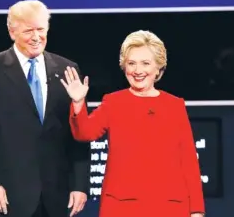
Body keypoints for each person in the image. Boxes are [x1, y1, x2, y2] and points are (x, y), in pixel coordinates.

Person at [0, 0, 89, 217]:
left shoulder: (67, 69)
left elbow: (77, 133)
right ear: (12, 32)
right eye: (28, 31)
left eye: (41, 29)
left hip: (56, 196)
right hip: (6, 195)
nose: (36, 37)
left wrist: (80, 185)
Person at [60, 30, 205, 217]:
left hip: (169, 207)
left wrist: (197, 211)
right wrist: (79, 103)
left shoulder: (174, 106)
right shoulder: (113, 102)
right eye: (131, 63)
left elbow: (189, 162)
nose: (138, 71)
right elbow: (85, 133)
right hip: (122, 207)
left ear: (158, 68)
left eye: (145, 63)